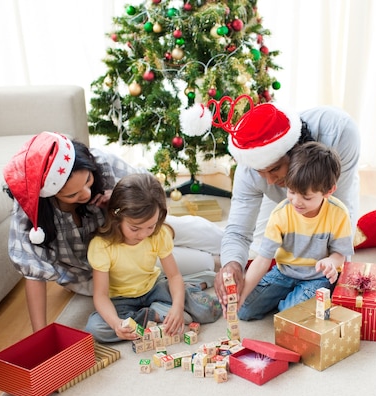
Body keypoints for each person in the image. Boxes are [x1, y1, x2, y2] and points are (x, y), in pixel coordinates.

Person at [3, 131, 222, 332]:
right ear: (50, 195)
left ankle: (231, 254)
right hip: (105, 270)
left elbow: (150, 189)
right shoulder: (32, 213)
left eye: (88, 181)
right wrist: (40, 336)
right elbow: (33, 273)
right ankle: (177, 295)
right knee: (204, 262)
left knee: (207, 236)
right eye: (73, 195)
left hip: (143, 230)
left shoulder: (101, 163)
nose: (87, 194)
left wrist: (116, 195)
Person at [186, 95, 361, 309]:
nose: (269, 180)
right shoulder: (250, 169)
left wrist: (333, 265)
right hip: (287, 206)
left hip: (329, 178)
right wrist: (232, 265)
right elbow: (239, 232)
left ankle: (313, 286)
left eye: (275, 168)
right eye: (261, 172)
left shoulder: (340, 132)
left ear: (296, 151)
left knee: (330, 247)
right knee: (265, 243)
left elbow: (335, 217)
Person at [84, 173, 222, 343]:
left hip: (154, 287)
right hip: (121, 300)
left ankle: (178, 298)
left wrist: (177, 308)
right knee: (96, 329)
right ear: (116, 217)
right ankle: (152, 314)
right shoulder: (101, 246)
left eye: (150, 226)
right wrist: (116, 324)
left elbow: (174, 276)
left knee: (210, 309)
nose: (143, 234)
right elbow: (101, 296)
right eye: (135, 228)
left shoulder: (158, 234)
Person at [237, 142, 353, 320]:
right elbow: (263, 259)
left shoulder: (339, 213)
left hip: (316, 278)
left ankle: (292, 304)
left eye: (306, 197)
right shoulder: (281, 213)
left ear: (329, 191)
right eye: (291, 191)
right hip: (284, 272)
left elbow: (340, 254)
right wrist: (242, 295)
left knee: (290, 318)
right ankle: (289, 300)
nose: (296, 201)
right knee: (244, 311)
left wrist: (330, 261)